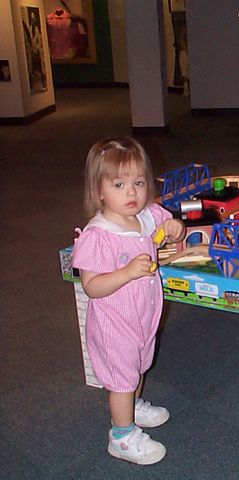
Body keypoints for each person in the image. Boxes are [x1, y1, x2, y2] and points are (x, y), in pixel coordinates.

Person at [72, 137, 185, 465]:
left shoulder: (147, 216)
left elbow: (170, 227)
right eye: (119, 185)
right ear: (99, 191)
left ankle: (131, 407)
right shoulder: (98, 235)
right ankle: (121, 436)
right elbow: (92, 286)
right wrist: (125, 273)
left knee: (137, 367)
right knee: (122, 379)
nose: (131, 192)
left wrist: (174, 226)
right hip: (114, 324)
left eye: (139, 182)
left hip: (142, 317)